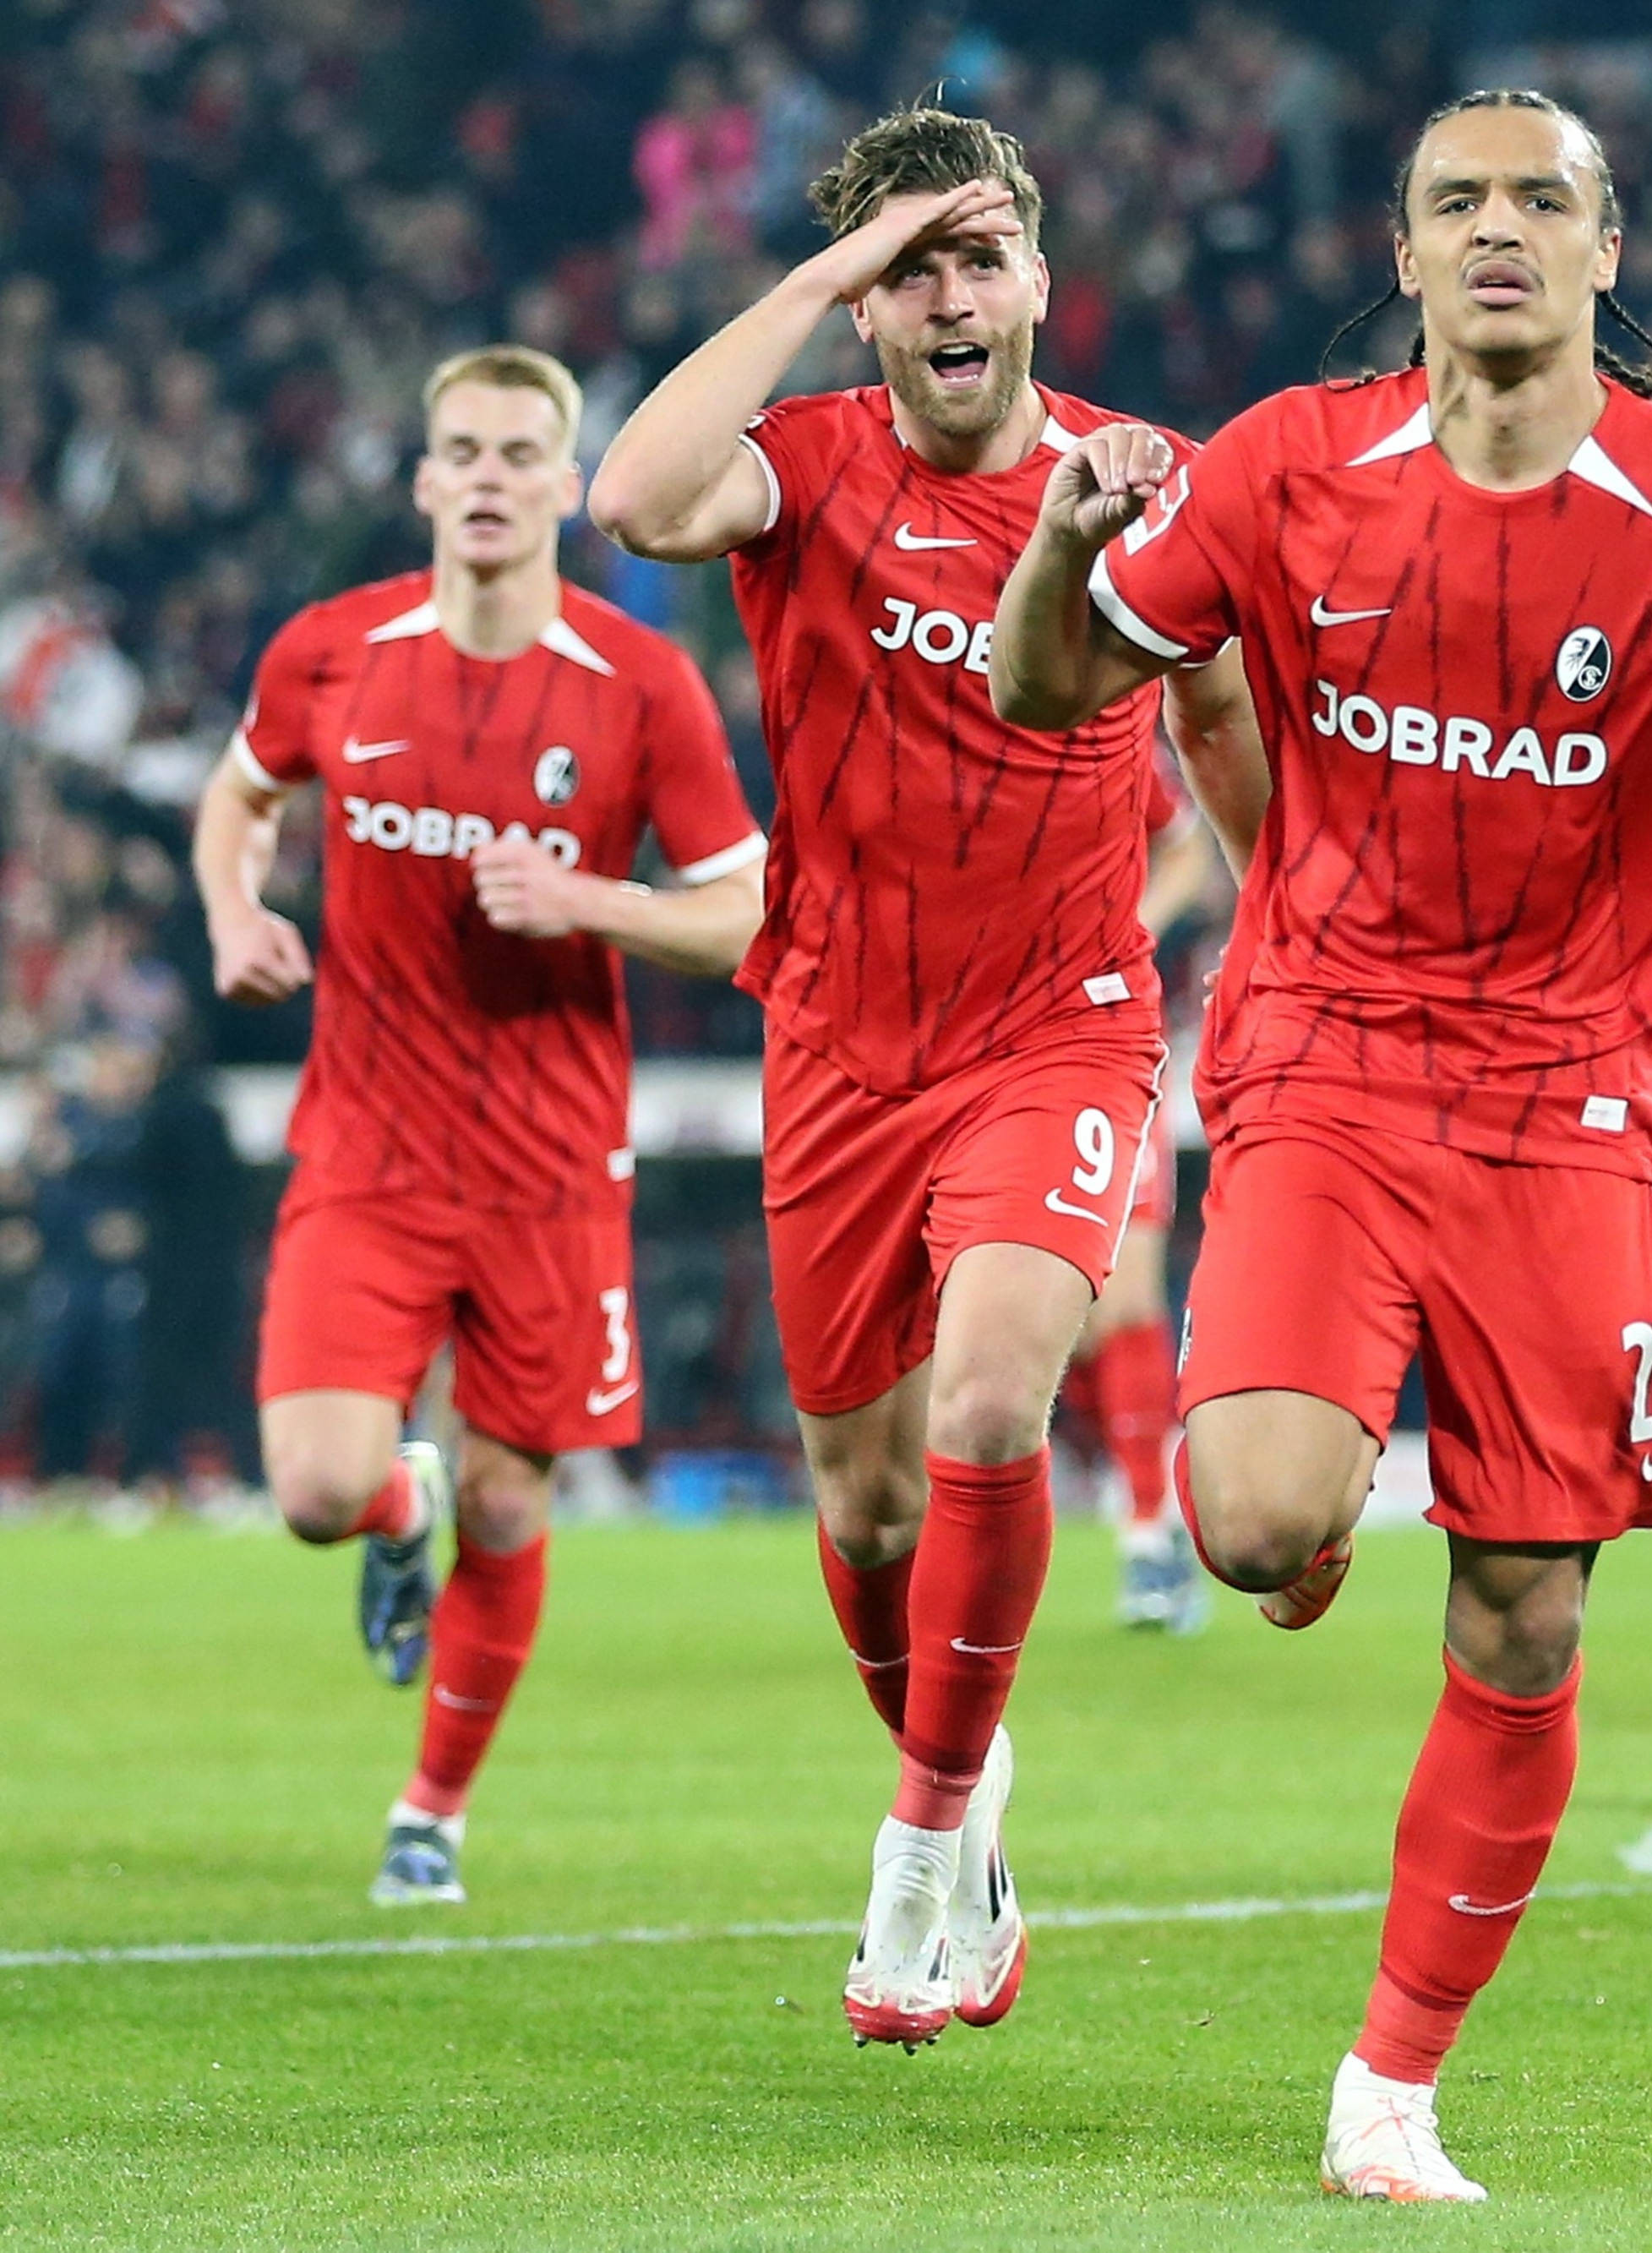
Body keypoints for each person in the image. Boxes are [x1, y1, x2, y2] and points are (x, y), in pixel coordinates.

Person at [990, 89, 1652, 2202]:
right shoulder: (1289, 465)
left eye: (1536, 201)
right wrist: (1057, 540)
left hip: (1573, 1119)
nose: (1497, 231)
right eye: (1456, 201)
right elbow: (1043, 690)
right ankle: (1286, 1512)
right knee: (1255, 1519)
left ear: (1604, 247)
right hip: (1322, 1062)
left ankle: (1388, 2082)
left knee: (1527, 1613)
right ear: (1402, 252)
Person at [588, 106, 1262, 2048]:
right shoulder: (796, 469)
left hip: (1054, 1020)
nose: (949, 296)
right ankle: (972, 1810)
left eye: (979, 256)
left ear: (1040, 279)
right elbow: (632, 496)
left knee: (988, 1397)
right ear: (868, 309)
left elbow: (1227, 720)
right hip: (834, 1038)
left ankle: (916, 1839)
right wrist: (808, 277)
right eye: (909, 269)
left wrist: (1283, 917)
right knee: (870, 1507)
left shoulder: (1146, 481)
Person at [191, 345, 764, 1907]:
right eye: (468, 450)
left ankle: (431, 1812)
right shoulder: (332, 651)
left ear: (569, 486)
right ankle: (399, 1502)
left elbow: (742, 914)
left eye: (526, 451)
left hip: (550, 1165)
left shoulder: (639, 686)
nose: (495, 476)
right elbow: (237, 796)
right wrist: (235, 909)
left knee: (517, 1496)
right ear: (428, 479)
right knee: (317, 1488)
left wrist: (583, 900)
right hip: (367, 1149)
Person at [1061, 768, 1232, 1633]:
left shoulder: (1105, 726)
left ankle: (1147, 1531)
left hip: (1108, 1038)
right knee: (1073, 1321)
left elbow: (1187, 843)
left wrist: (1131, 927)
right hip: (979, 1042)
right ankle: (1124, 1484)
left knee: (1126, 1294)